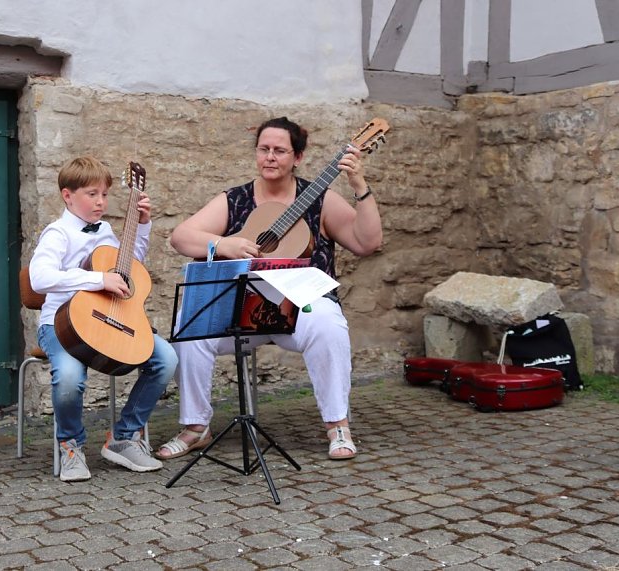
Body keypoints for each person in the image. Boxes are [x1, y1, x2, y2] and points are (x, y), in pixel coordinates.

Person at [157, 116, 383, 461]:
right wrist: (225, 244)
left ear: (298, 157)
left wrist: (359, 185)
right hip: (243, 311)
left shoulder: (319, 199)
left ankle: (338, 425)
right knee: (191, 331)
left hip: (301, 309)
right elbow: (181, 237)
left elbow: (368, 242)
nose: (270, 157)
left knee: (328, 325)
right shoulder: (235, 200)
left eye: (280, 150)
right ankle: (196, 427)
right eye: (264, 149)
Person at [29, 156, 178, 481]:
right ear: (68, 196)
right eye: (91, 194)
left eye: (104, 195)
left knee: (166, 357)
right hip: (61, 324)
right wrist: (98, 280)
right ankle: (70, 445)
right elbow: (39, 279)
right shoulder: (57, 234)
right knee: (69, 377)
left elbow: (129, 265)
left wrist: (142, 225)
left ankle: (125, 437)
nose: (100, 202)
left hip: (108, 319)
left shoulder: (108, 230)